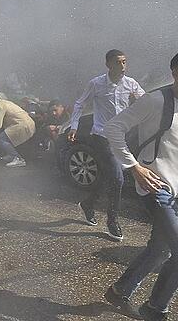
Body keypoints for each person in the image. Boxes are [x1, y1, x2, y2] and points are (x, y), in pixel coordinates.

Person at [102, 49, 178, 321]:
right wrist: (134, 167)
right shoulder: (155, 101)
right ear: (175, 73)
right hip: (158, 187)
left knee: (160, 249)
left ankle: (119, 291)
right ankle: (155, 309)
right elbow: (113, 128)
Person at [68, 49, 145, 241]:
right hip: (101, 136)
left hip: (121, 137)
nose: (123, 66)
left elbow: (146, 102)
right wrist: (74, 126)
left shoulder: (130, 83)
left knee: (107, 177)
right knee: (118, 179)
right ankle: (112, 221)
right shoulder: (96, 84)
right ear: (108, 65)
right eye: (118, 62)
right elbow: (79, 103)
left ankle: (88, 204)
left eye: (125, 62)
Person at [0, 98, 36, 167]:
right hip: (28, 124)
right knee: (6, 137)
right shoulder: (5, 102)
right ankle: (11, 154)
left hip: (22, 125)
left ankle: (17, 158)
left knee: (1, 139)